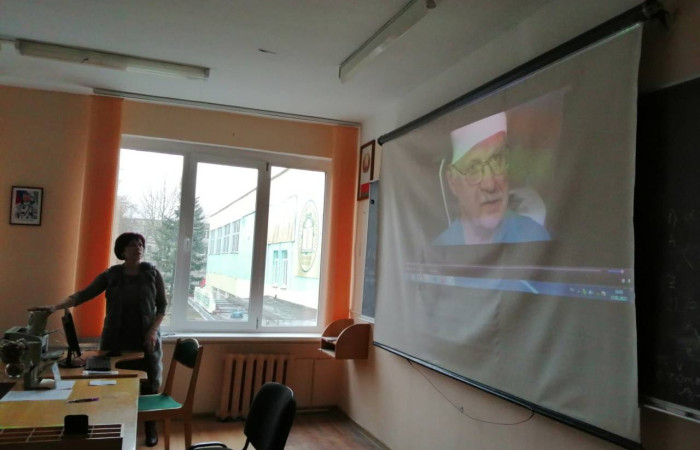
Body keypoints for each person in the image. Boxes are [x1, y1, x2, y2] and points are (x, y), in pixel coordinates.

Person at [29, 232, 166, 447]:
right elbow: (82, 295)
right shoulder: (111, 275)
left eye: (140, 245)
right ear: (122, 251)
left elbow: (162, 306)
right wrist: (54, 307)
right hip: (115, 340)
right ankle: (113, 426)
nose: (138, 248)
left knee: (149, 384)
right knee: (112, 385)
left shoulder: (152, 273)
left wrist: (153, 331)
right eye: (132, 245)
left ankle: (150, 427)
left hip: (145, 339)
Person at [433, 111, 551, 245]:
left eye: (497, 159)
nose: (490, 185)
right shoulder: (439, 250)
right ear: (452, 181)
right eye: (473, 168)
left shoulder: (534, 237)